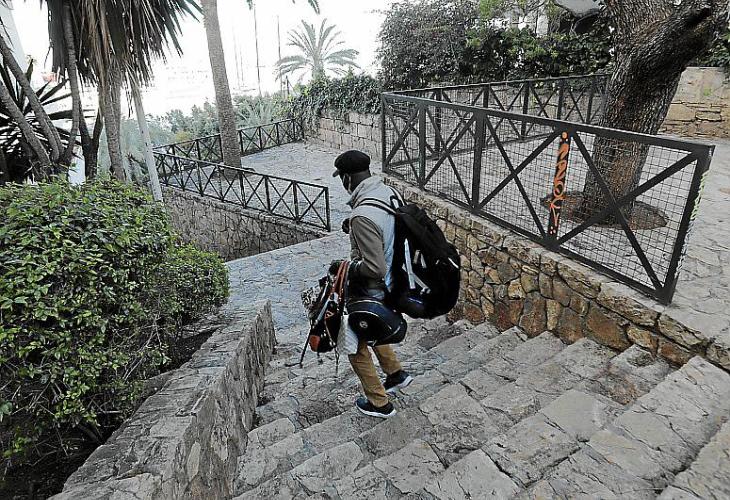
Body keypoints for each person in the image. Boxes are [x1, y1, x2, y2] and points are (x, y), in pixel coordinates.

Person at [330, 150, 413, 419]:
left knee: (353, 342)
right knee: (371, 327)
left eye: (342, 178)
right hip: (397, 278)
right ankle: (396, 373)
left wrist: (345, 267)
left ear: (347, 178)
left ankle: (379, 403)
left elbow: (374, 267)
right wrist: (353, 225)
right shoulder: (388, 193)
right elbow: (387, 226)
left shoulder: (362, 215)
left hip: (374, 287)